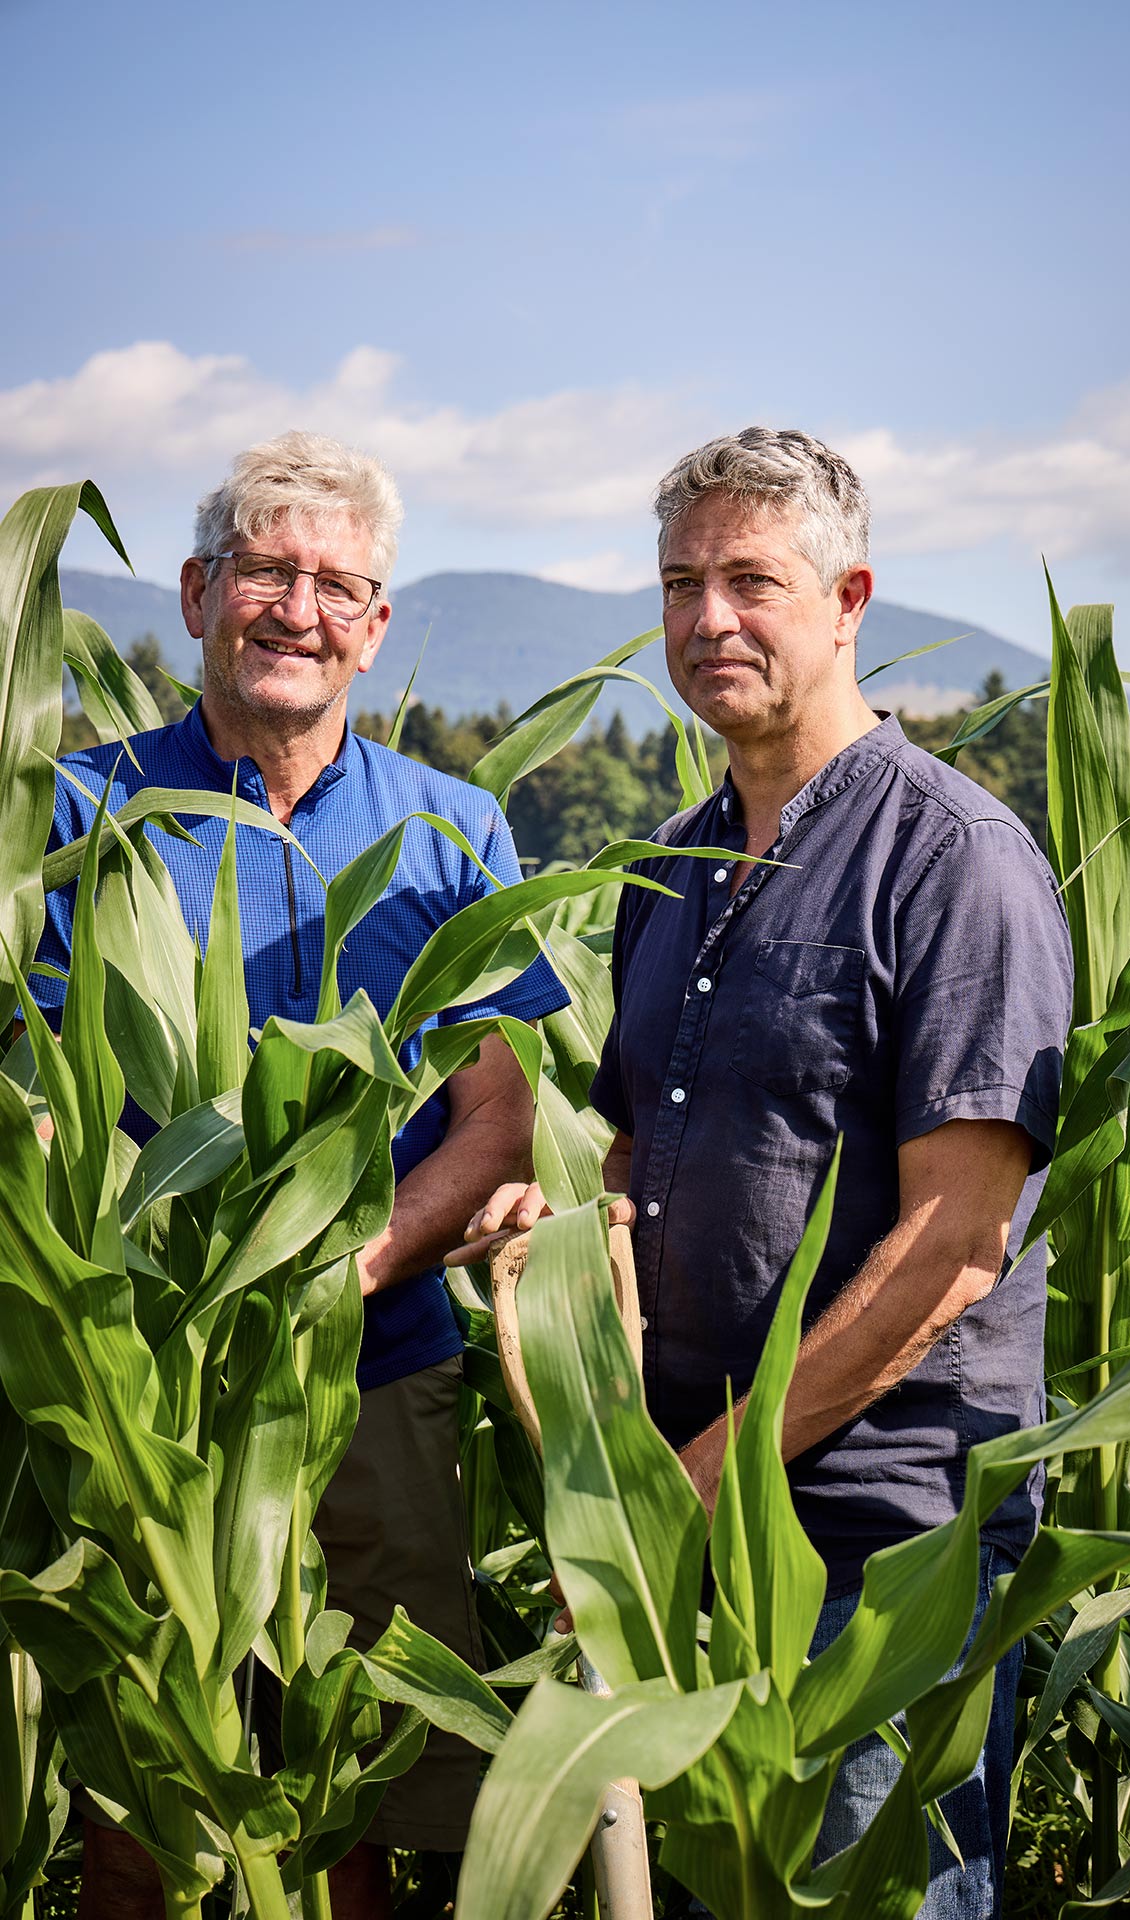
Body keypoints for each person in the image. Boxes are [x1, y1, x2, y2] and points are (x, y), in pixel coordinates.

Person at [458, 427, 1074, 1916]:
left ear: (848, 595)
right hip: (680, 1517)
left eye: (752, 580)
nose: (708, 620)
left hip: (874, 1539)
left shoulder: (952, 862)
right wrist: (560, 1249)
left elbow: (955, 1246)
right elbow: (632, 1161)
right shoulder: (667, 870)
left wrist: (701, 1485)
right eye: (680, 585)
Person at [29, 431, 569, 1920]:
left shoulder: (449, 832)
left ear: (377, 627)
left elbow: (500, 1121)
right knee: (138, 1784)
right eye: (265, 571)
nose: (297, 608)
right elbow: (36, 1106)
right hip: (133, 1388)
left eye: (339, 584)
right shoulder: (76, 820)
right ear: (198, 592)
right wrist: (147, 1279)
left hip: (373, 1374)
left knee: (362, 1790)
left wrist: (350, 1268)